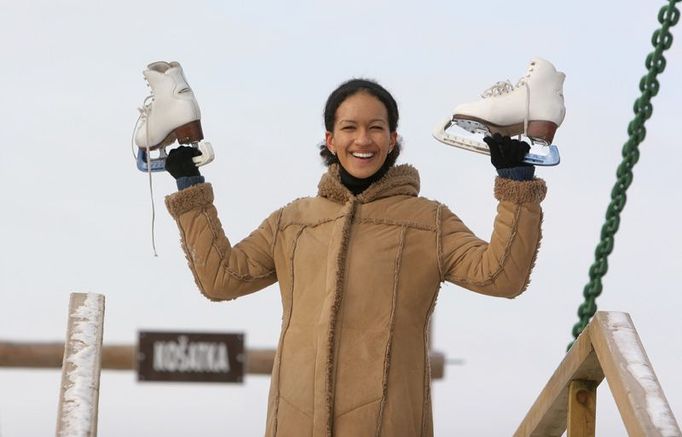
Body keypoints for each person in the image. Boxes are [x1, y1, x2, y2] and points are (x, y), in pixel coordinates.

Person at [163, 78, 545, 437]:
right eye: (349, 128)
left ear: (393, 138)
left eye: (376, 127)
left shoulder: (429, 223)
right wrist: (189, 186)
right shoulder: (292, 223)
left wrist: (515, 183)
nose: (363, 139)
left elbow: (502, 276)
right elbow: (221, 278)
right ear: (330, 139)